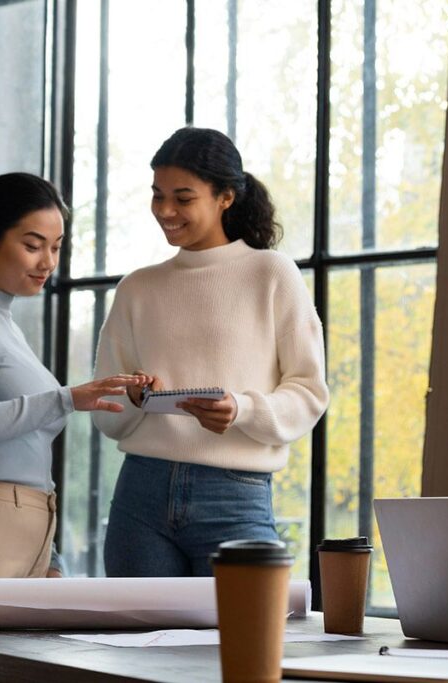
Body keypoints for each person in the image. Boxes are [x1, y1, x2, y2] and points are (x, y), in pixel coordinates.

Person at [93, 127, 329, 577]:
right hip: (140, 495)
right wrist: (135, 397)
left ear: (225, 197)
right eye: (157, 195)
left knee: (243, 643)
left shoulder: (271, 273)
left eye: (183, 198)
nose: (165, 210)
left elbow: (308, 392)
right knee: (136, 648)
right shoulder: (137, 288)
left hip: (234, 495)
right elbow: (106, 406)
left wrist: (241, 409)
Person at [0, 173, 147, 578]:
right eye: (32, 246)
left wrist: (48, 553)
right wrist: (66, 398)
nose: (48, 262)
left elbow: (23, 451)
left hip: (27, 529)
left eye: (56, 247)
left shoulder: (5, 324)